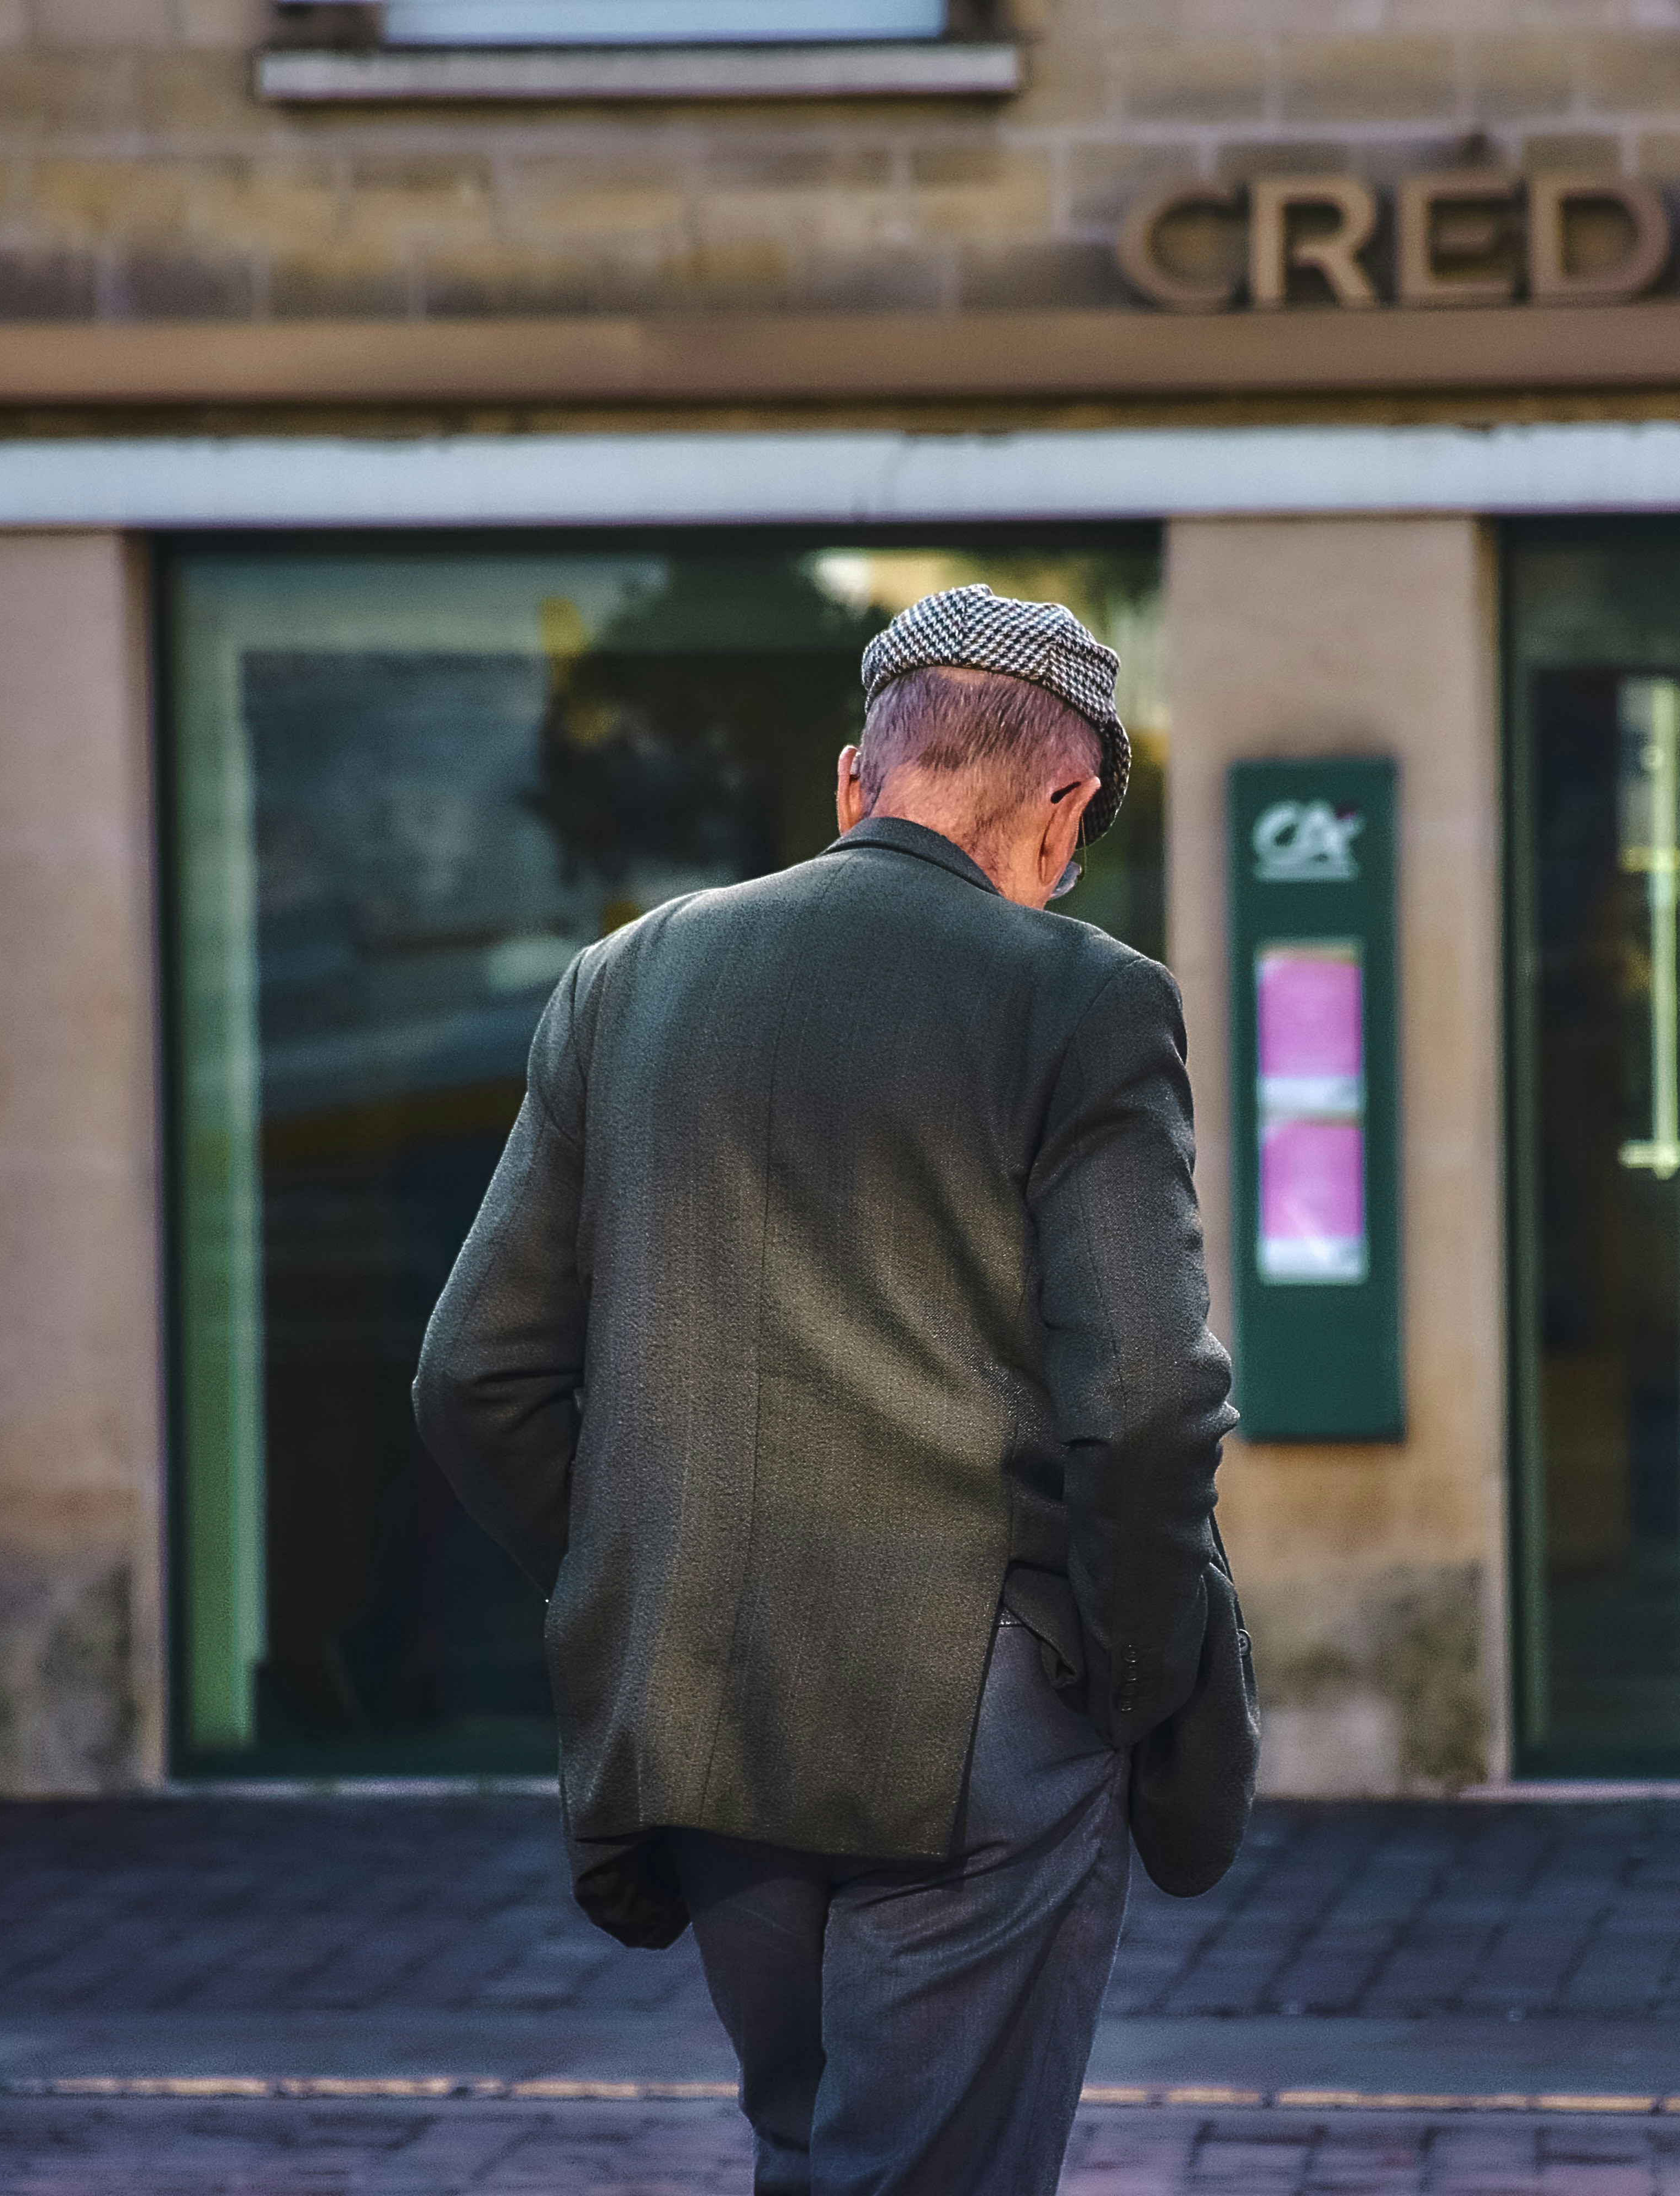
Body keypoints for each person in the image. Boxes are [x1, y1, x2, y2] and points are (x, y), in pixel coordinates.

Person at [414, 584, 1242, 2195]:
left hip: (708, 1696)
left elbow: (473, 1376)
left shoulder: (624, 979)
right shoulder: (1083, 997)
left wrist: (628, 1576)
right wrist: (1128, 1682)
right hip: (983, 1712)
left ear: (856, 779)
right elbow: (1146, 1397)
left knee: (815, 2151)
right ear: (1066, 810)